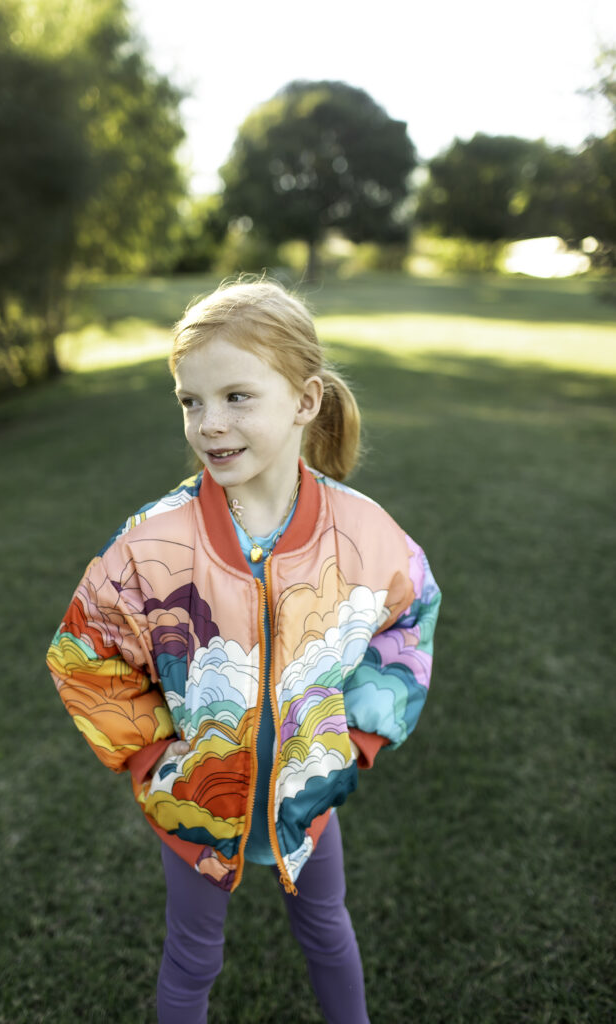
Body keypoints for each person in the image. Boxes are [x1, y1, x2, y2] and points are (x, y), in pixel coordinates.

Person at [46, 278, 441, 1023]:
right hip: (193, 800)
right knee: (191, 954)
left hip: (310, 793)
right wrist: (148, 758)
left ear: (304, 400)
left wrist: (353, 739)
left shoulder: (363, 534)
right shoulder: (152, 544)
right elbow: (85, 654)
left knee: (327, 928)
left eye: (236, 397)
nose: (208, 424)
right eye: (190, 402)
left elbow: (410, 617)